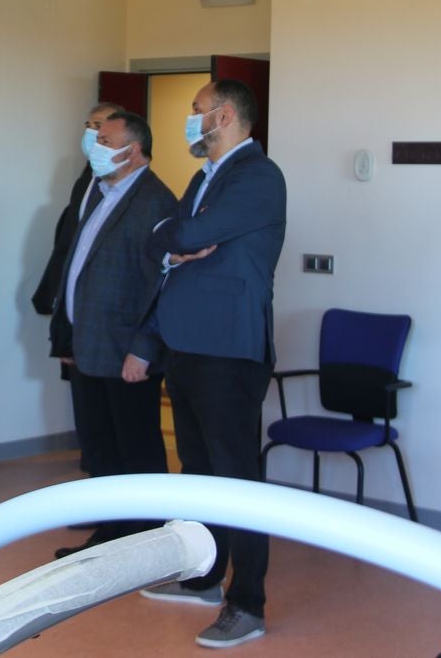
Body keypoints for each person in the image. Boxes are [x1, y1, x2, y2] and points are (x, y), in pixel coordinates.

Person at [126, 79, 286, 649]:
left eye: (196, 113)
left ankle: (249, 604)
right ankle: (205, 579)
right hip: (187, 345)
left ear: (222, 116)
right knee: (197, 474)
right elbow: (162, 239)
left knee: (238, 481)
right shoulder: (203, 176)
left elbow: (185, 233)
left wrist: (175, 238)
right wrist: (173, 240)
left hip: (229, 350)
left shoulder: (258, 177)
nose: (190, 122)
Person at [49, 111, 177, 559]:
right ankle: (109, 537)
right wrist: (66, 335)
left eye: (106, 139)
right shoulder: (102, 192)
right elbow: (78, 269)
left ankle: (147, 540)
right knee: (101, 448)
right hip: (88, 345)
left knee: (136, 448)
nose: (96, 145)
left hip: (126, 351)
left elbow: (163, 285)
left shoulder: (155, 202)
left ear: (133, 150)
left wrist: (144, 349)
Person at [34, 101, 123, 475]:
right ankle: (94, 478)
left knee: (112, 420)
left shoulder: (130, 191)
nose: (92, 135)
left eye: (100, 128)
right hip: (74, 313)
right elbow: (68, 244)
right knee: (85, 408)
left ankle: (113, 493)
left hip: (106, 322)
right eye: (89, 126)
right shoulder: (86, 178)